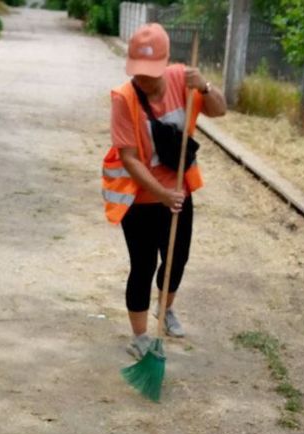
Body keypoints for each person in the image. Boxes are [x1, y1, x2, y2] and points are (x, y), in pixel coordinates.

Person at [104, 23, 226, 359]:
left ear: (165, 62)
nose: (143, 79)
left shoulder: (182, 81)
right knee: (142, 265)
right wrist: (160, 193)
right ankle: (140, 336)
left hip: (178, 191)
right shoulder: (124, 99)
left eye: (150, 72)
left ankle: (166, 307)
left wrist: (206, 87)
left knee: (177, 260)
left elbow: (220, 109)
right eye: (138, 72)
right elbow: (129, 158)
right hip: (140, 198)